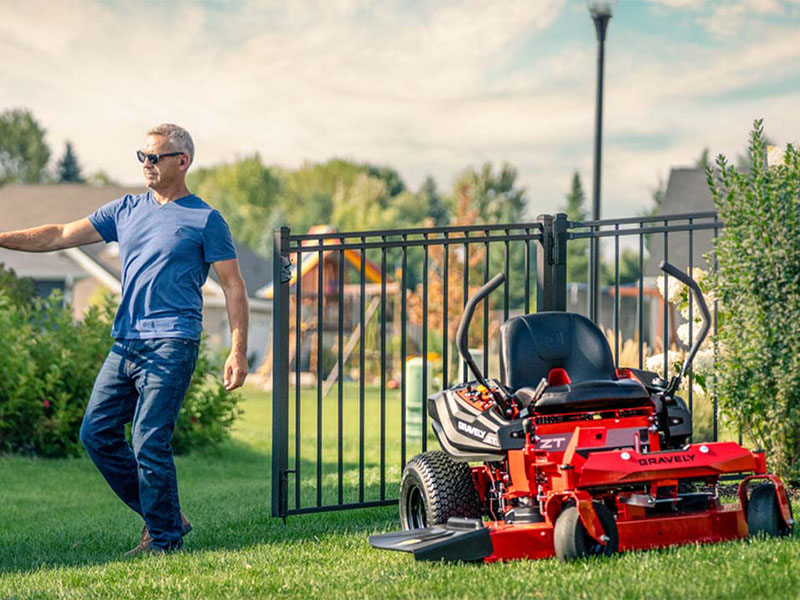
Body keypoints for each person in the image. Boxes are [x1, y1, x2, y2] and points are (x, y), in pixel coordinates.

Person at [0, 124, 249, 554]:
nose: (147, 165)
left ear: (182, 162)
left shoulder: (206, 219)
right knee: (96, 433)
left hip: (174, 341)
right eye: (143, 156)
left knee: (149, 439)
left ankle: (165, 541)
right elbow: (60, 234)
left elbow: (233, 286)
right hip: (126, 342)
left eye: (155, 157)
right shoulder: (126, 210)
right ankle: (165, 517)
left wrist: (238, 350)